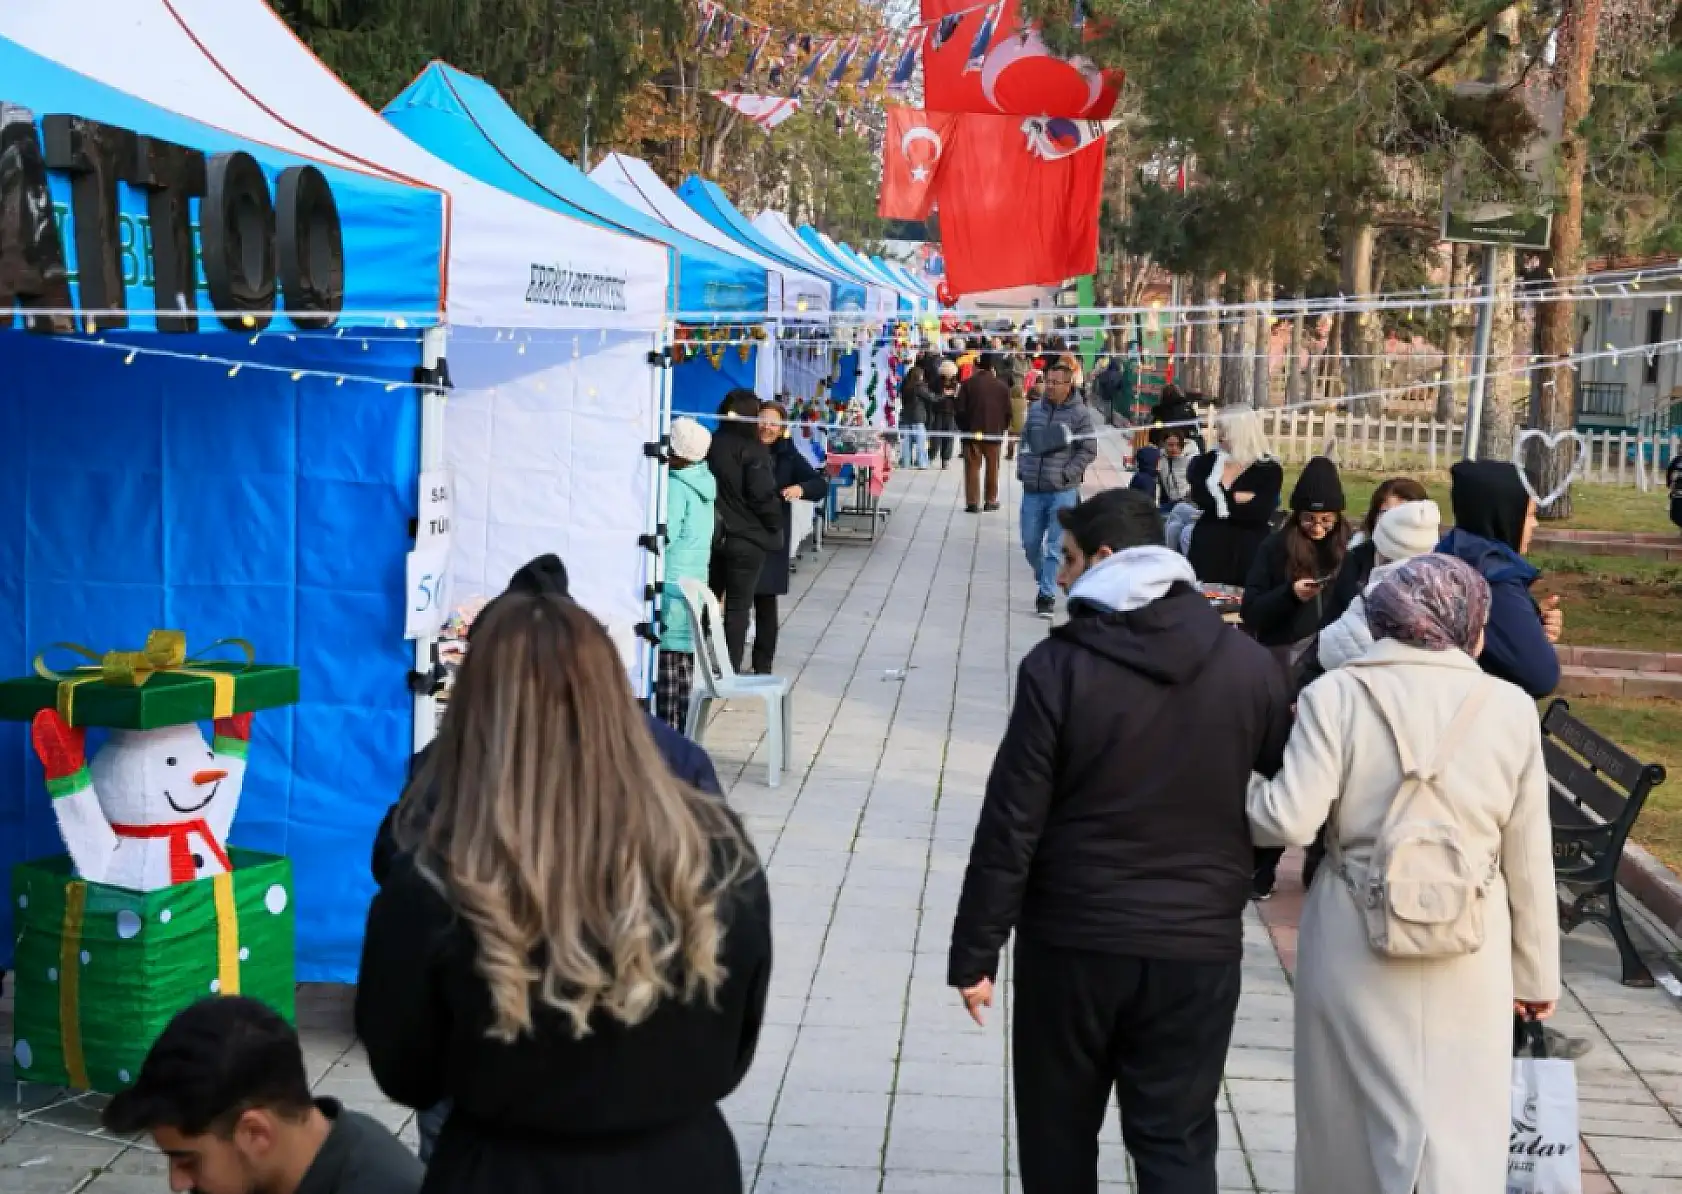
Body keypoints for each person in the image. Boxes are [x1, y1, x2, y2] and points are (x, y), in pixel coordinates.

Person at [356, 588, 772, 1194]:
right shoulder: (716, 853)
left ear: (477, 702)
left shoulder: (437, 871)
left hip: (502, 1168)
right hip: (679, 1165)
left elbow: (404, 1069)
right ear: (612, 693)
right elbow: (734, 1047)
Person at [949, 488, 1292, 1194]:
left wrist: (976, 953)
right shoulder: (1250, 669)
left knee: (1057, 1133)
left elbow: (1013, 819)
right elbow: (1294, 790)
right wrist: (1244, 866)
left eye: (1070, 559)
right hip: (1194, 948)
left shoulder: (1058, 668)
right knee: (1175, 1140)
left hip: (1075, 944)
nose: (1063, 576)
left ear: (1109, 559)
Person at [1247, 554, 1559, 1194]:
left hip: (1352, 932)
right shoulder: (1508, 707)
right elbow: (1529, 852)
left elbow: (1286, 820)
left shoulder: (1336, 693)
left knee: (1346, 1123)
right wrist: (1535, 975)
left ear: (1383, 620)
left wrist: (1238, 782)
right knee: (1458, 1124)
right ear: (1472, 623)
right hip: (1471, 940)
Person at [103, 996, 423, 1194]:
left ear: (255, 1133)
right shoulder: (330, 1138)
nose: (178, 1183)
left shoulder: (378, 1183)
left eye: (188, 1162)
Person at [1437, 460, 1562, 700]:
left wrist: (1531, 621)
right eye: (1530, 515)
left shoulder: (1450, 556)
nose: (1534, 525)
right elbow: (1539, 675)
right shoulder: (1493, 579)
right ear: (1505, 518)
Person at [707, 388, 783, 672]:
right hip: (748, 539)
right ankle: (729, 668)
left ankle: (694, 660)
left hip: (716, 536)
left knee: (709, 601)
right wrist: (774, 525)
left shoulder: (712, 444)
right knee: (738, 609)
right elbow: (761, 495)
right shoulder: (753, 451)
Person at [1240, 456, 1350, 654]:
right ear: (1297, 516)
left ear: (1338, 518)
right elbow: (1251, 612)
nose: (1317, 528)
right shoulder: (1274, 547)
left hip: (1337, 651)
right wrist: (1290, 595)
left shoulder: (1351, 548)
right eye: (1309, 519)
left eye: (1326, 520)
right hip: (1286, 651)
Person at [1017, 359, 1098, 617]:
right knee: (1030, 544)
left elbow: (1089, 448)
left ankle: (1047, 595)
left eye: (1055, 383)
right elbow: (1025, 440)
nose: (1049, 387)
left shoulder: (1079, 413)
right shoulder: (1036, 409)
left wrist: (1068, 473)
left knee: (1054, 545)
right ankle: (1045, 578)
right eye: (1047, 381)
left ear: (1068, 384)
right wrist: (1023, 467)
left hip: (1061, 489)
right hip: (1033, 488)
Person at [752, 401, 828, 674]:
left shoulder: (787, 454)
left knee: (765, 603)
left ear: (782, 427)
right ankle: (729, 662)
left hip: (772, 536)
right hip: (741, 535)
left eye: (773, 422)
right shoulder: (743, 450)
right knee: (734, 605)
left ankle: (763, 664)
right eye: (762, 420)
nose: (767, 427)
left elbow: (820, 485)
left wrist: (800, 488)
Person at [657, 418, 717, 732]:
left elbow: (665, 534)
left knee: (665, 662)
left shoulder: (677, 486)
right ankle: (681, 733)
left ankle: (666, 737)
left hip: (670, 584)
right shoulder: (704, 482)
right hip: (692, 584)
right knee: (682, 661)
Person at [1184, 404, 1283, 586]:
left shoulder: (1268, 468)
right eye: (1218, 430)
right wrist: (1237, 498)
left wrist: (1221, 498)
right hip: (1209, 546)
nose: (1219, 436)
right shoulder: (1207, 462)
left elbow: (1260, 512)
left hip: (1247, 550)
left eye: (1225, 430)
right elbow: (1201, 497)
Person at [1323, 477, 1431, 624]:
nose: (1392, 522)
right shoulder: (1355, 560)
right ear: (1374, 517)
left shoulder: (1435, 569)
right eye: (1386, 513)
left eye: (1402, 515)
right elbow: (1334, 619)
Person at [956, 352, 1014, 513]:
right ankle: (990, 500)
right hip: (993, 434)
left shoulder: (967, 385)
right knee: (993, 468)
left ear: (977, 366)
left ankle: (973, 502)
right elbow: (1008, 413)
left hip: (971, 433)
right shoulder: (1002, 387)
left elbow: (959, 410)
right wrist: (1001, 428)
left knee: (972, 467)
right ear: (993, 367)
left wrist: (964, 428)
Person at [897, 365, 931, 469]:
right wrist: (944, 395)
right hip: (917, 418)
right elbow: (931, 397)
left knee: (906, 443)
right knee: (921, 443)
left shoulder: (904, 386)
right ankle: (922, 463)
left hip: (905, 417)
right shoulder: (919, 387)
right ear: (918, 376)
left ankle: (906, 463)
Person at [928, 360, 960, 470]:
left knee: (946, 437)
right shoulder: (937, 382)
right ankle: (937, 457)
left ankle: (942, 459)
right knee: (940, 437)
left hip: (947, 412)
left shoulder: (954, 383)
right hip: (942, 412)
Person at [1157, 430, 1194, 511]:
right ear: (1164, 444)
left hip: (1188, 502)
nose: (1174, 448)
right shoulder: (1161, 459)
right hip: (1170, 501)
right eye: (1170, 445)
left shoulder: (1189, 459)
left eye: (1177, 445)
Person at [1668, 452, 1682, 533]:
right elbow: (1670, 471)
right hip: (1678, 491)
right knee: (1675, 515)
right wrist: (1670, 484)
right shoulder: (1677, 460)